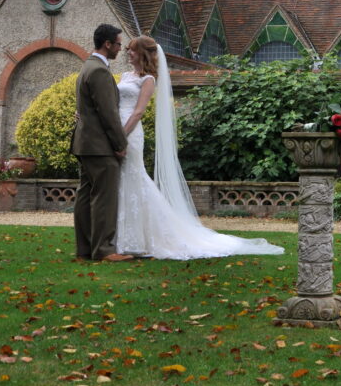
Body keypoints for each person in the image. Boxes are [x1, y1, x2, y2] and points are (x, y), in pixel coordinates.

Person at [114, 36, 284, 259]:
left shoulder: (148, 80)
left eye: (132, 50)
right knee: (122, 180)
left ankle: (142, 239)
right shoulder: (126, 76)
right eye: (127, 49)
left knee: (135, 178)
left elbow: (138, 112)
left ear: (143, 53)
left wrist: (121, 137)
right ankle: (122, 237)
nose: (128, 53)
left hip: (130, 132)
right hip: (117, 127)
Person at [71, 24, 133, 262]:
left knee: (86, 196)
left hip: (85, 144)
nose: (120, 48)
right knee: (104, 198)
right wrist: (120, 143)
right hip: (99, 146)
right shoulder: (99, 71)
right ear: (107, 44)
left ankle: (84, 250)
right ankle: (104, 250)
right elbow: (108, 113)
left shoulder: (87, 67)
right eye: (118, 44)